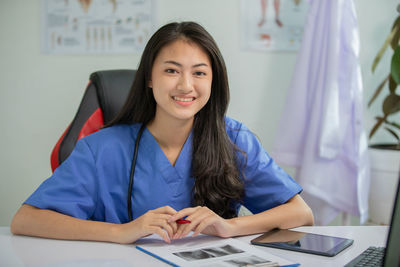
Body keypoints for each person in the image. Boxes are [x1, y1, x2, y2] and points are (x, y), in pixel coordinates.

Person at [11, 21, 313, 244]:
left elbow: (300, 213)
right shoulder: (101, 148)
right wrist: (121, 232)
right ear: (150, 79)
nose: (185, 86)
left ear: (213, 81)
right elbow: (26, 220)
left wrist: (229, 226)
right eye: (171, 70)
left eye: (199, 72)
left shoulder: (233, 138)